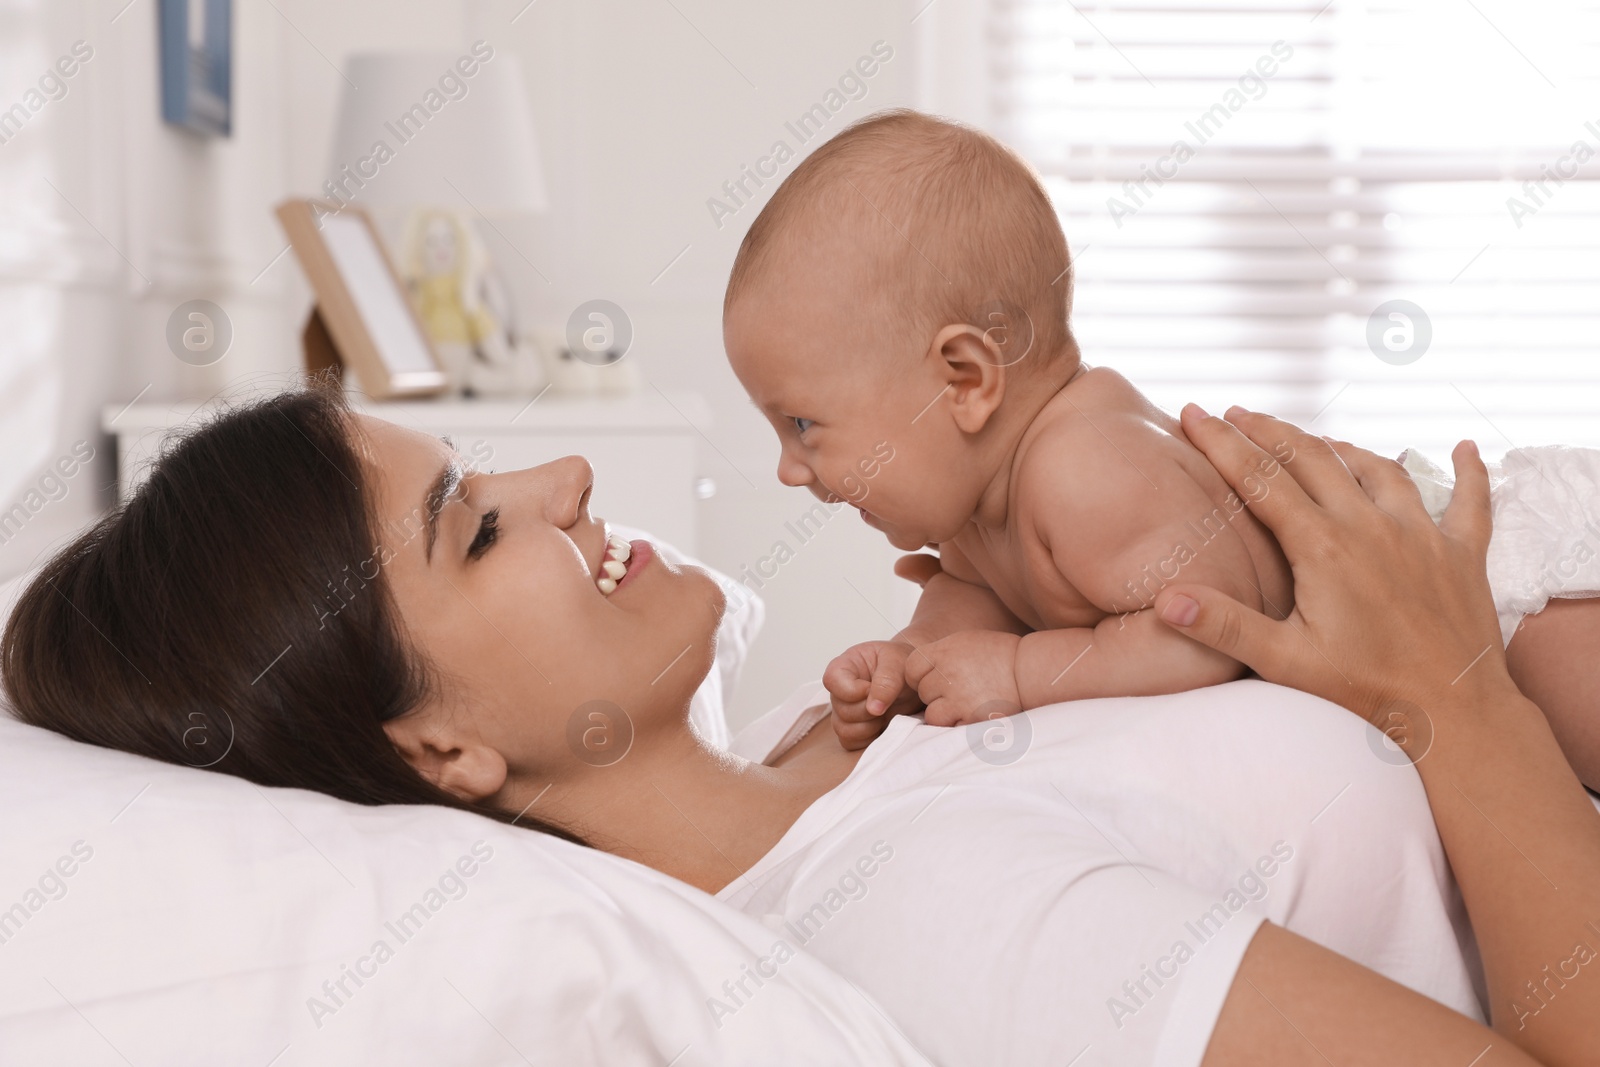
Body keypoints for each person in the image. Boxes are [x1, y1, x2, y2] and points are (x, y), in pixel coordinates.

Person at [2, 388, 1597, 1064]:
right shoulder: (934, 914)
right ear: (440, 755)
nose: (563, 485)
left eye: (489, 466)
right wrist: (1453, 689)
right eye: (476, 530)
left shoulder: (820, 738)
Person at [721, 110, 1600, 787]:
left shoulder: (1082, 472)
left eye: (802, 425)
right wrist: (910, 666)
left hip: (1480, 578)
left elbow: (1203, 631)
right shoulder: (976, 516)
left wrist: (1023, 674)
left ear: (964, 378)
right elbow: (973, 609)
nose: (789, 469)